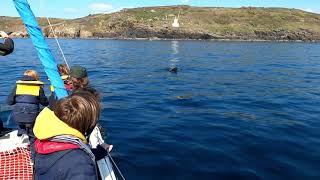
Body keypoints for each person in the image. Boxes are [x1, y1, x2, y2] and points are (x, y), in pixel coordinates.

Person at [33, 91, 111, 179]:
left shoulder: (44, 138)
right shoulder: (80, 164)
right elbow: (74, 160)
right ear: (87, 125)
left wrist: (101, 151)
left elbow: (65, 155)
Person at [7, 70, 49, 160]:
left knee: (21, 124)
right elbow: (45, 103)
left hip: (17, 116)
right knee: (33, 137)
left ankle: (21, 134)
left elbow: (9, 102)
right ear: (35, 77)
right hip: (31, 116)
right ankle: (33, 159)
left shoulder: (17, 87)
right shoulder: (38, 88)